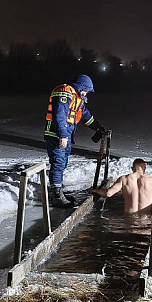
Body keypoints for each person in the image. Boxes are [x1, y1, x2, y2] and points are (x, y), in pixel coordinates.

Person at [43, 74, 105, 208]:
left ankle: (59, 192)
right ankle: (56, 196)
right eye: (86, 90)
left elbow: (85, 115)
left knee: (62, 163)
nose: (87, 93)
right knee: (58, 163)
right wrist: (62, 136)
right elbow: (59, 116)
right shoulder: (64, 93)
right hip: (56, 135)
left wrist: (97, 127)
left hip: (65, 135)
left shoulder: (77, 98)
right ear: (81, 86)